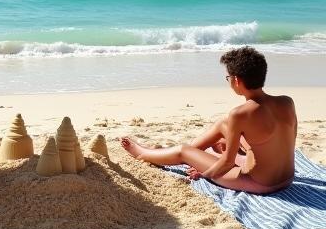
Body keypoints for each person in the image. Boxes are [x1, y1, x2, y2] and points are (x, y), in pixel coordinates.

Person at [120, 46, 296, 194]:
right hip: (286, 178)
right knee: (222, 124)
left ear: (236, 80)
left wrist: (205, 174)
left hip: (260, 184)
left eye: (228, 78)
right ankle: (168, 154)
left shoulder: (240, 114)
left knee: (184, 150)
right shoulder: (286, 102)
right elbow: (285, 141)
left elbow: (227, 162)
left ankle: (142, 152)